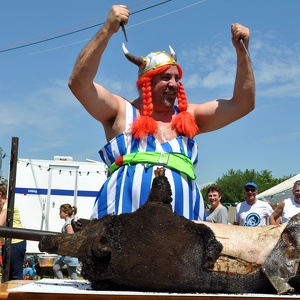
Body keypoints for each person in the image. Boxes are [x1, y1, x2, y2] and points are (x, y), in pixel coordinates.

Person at [68, 5, 254, 221]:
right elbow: (79, 84)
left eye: (177, 78)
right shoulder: (121, 111)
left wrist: (242, 53)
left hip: (181, 236)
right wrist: (107, 30)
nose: (174, 84)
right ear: (146, 83)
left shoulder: (189, 117)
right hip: (121, 234)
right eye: (166, 78)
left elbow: (243, 104)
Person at [0, 183, 27, 280]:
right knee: (6, 274)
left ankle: (17, 295)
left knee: (15, 275)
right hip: (7, 243)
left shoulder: (8, 205)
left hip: (16, 243)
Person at [53, 204, 78, 280]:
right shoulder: (68, 222)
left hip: (69, 253)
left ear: (66, 213)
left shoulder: (68, 224)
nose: (59, 213)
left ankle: (75, 288)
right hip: (66, 253)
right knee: (56, 268)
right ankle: (62, 283)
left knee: (72, 273)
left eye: (61, 212)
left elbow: (70, 237)